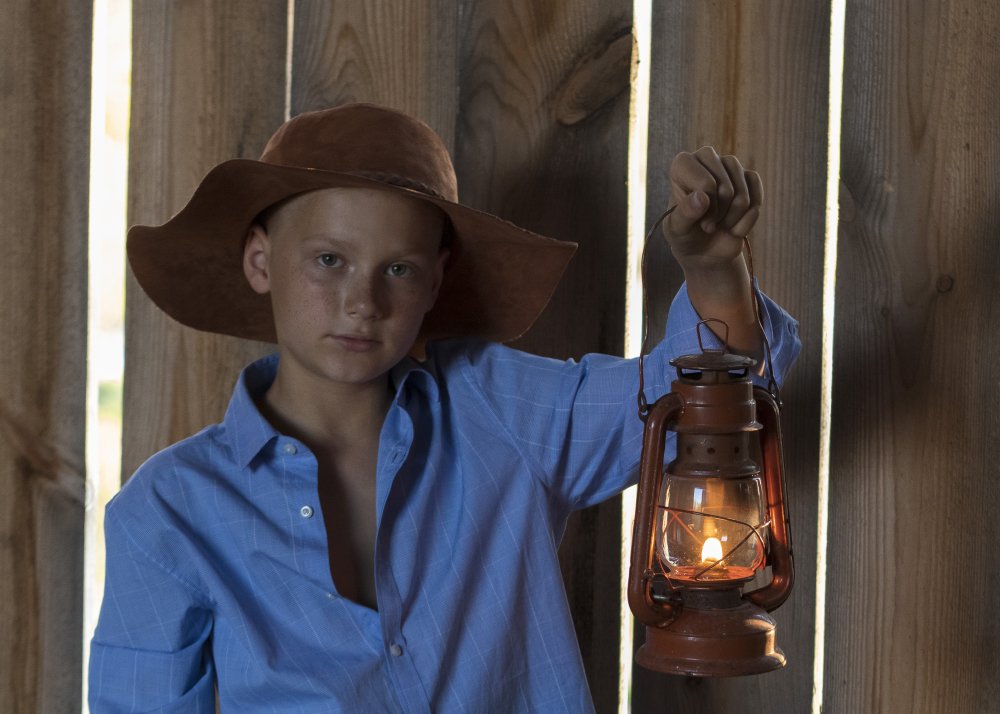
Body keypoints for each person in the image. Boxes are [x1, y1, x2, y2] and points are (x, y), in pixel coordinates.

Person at [88, 103, 799, 712]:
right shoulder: (167, 514)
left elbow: (700, 410)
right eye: (328, 260)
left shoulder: (500, 412)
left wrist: (712, 268)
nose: (363, 303)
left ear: (435, 283)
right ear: (260, 260)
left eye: (397, 268)